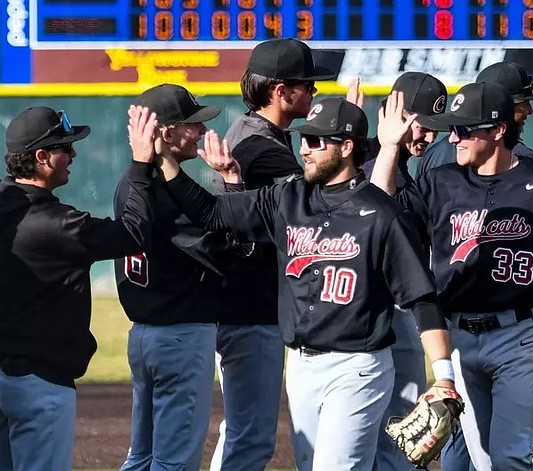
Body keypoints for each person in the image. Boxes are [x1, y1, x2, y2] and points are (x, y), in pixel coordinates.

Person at [157, 96, 458, 471]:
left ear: (346, 147)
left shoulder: (382, 214)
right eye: (303, 139)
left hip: (357, 368)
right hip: (301, 367)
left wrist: (444, 376)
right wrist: (164, 159)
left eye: (316, 141)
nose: (304, 149)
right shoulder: (289, 198)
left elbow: (421, 298)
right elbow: (213, 213)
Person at [371, 83, 533, 470]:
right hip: (459, 337)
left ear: (498, 130)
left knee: (509, 457)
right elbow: (379, 215)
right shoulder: (441, 182)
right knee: (482, 460)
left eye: (463, 129)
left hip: (522, 337)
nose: (453, 138)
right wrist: (388, 148)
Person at [0, 105, 157, 470]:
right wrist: (141, 164)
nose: (72, 154)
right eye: (64, 147)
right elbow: (134, 234)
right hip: (40, 385)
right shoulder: (59, 224)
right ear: (41, 157)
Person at [209, 38, 336, 471]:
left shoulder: (255, 133)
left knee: (241, 433)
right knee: (251, 440)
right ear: (281, 91)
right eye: (308, 86)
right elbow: (318, 205)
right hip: (250, 308)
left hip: (244, 302)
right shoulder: (260, 149)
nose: (314, 92)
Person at [114, 84, 234, 471]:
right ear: (165, 133)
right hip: (180, 335)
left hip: (146, 334)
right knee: (174, 461)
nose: (201, 131)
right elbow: (221, 242)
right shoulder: (164, 191)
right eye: (191, 124)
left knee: (142, 456)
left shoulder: (131, 183)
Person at [359, 71, 449, 471]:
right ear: (393, 115)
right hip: (379, 318)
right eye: (421, 124)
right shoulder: (371, 166)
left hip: (402, 317)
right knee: (385, 443)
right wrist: (387, 145)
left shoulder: (405, 173)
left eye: (434, 127)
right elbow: (375, 211)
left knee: (398, 443)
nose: (428, 136)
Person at [415, 60, 533, 177]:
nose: (529, 110)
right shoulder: (515, 156)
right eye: (524, 103)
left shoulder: (434, 154)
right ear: (504, 105)